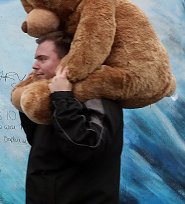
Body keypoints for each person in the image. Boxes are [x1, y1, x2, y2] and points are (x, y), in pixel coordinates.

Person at [16, 31, 123, 204]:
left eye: (42, 59)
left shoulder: (98, 98)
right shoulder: (55, 97)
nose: (35, 66)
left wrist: (63, 99)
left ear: (66, 62)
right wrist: (28, 104)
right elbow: (41, 145)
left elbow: (86, 148)